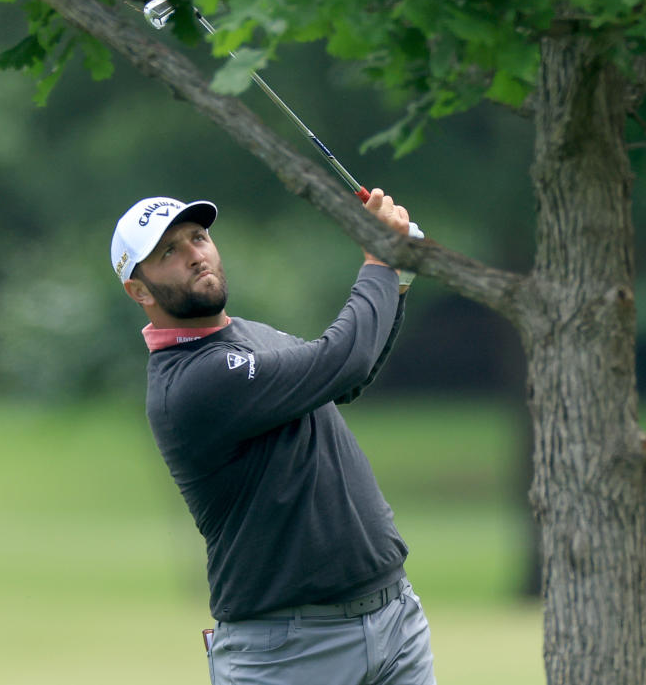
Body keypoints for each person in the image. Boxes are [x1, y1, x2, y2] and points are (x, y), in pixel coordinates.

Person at [110, 190, 437, 685]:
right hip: (289, 651)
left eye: (198, 237)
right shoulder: (194, 379)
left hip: (395, 623)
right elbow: (342, 358)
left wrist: (400, 277)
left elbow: (343, 378)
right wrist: (378, 261)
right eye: (168, 252)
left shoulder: (246, 336)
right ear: (140, 291)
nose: (195, 254)